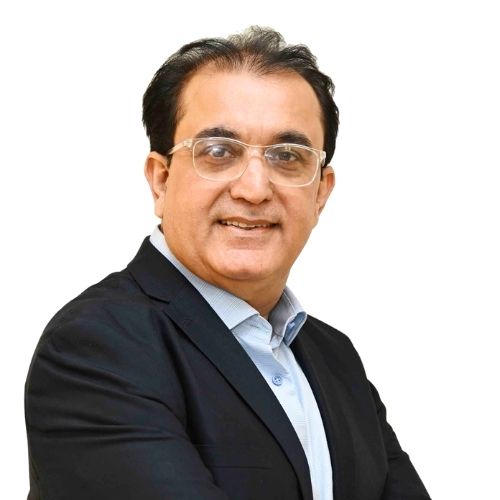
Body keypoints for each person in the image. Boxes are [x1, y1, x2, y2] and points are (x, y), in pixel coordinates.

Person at [25, 26, 430, 500]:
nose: (254, 189)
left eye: (288, 156)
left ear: (321, 193)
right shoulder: (95, 347)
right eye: (218, 152)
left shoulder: (335, 358)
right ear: (160, 180)